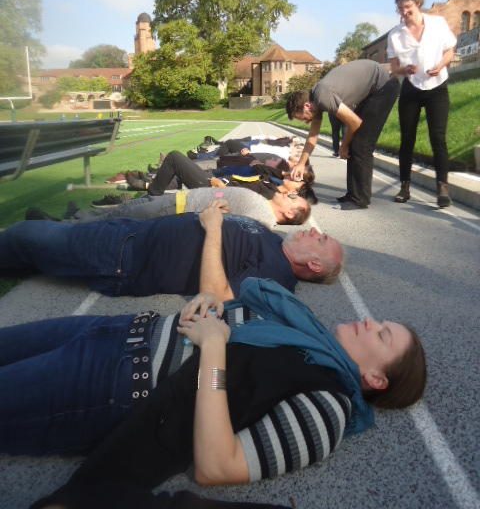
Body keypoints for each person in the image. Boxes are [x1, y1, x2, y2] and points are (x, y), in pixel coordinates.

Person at [2, 280, 427, 509]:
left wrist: (213, 348)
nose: (369, 322)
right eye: (379, 322)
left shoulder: (329, 409)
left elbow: (218, 464)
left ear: (376, 378)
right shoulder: (306, 332)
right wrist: (211, 301)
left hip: (114, 382)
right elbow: (231, 320)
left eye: (382, 335)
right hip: (119, 330)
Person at [0, 201, 343, 300]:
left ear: (314, 265)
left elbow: (218, 296)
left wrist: (213, 228)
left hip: (126, 257)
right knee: (41, 248)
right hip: (134, 233)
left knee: (26, 235)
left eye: (321, 240)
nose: (315, 231)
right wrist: (221, 216)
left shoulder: (276, 277)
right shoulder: (273, 241)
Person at [286, 60, 400, 210]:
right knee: (355, 143)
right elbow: (312, 137)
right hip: (372, 90)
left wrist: (343, 146)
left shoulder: (322, 97)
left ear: (307, 106)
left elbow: (355, 123)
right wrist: (301, 164)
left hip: (384, 86)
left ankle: (359, 199)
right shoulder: (316, 101)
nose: (305, 122)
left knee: (361, 145)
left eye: (301, 118)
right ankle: (353, 194)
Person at [387, 0, 457, 208]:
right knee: (407, 139)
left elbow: (450, 50)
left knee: (438, 138)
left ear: (417, 3)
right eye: (400, 8)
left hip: (437, 86)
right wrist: (403, 69)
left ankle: (442, 189)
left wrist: (441, 65)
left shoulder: (437, 23)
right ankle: (404, 186)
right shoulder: (395, 35)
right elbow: (393, 66)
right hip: (411, 88)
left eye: (407, 7)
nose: (404, 12)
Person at [27, 185, 311, 228]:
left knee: (120, 218)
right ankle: (78, 216)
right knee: (124, 211)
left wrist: (215, 208)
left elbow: (234, 230)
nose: (289, 193)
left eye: (293, 198)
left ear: (290, 213)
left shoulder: (263, 218)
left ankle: (60, 226)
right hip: (178, 201)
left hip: (176, 210)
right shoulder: (263, 206)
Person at [125, 150, 313, 196]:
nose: (294, 173)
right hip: (218, 179)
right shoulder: (275, 180)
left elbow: (246, 199)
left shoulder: (273, 193)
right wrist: (284, 174)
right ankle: (149, 183)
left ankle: (152, 193)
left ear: (295, 192)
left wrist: (223, 188)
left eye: (298, 177)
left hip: (215, 189)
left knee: (175, 157)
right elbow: (258, 168)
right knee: (180, 171)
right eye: (296, 172)